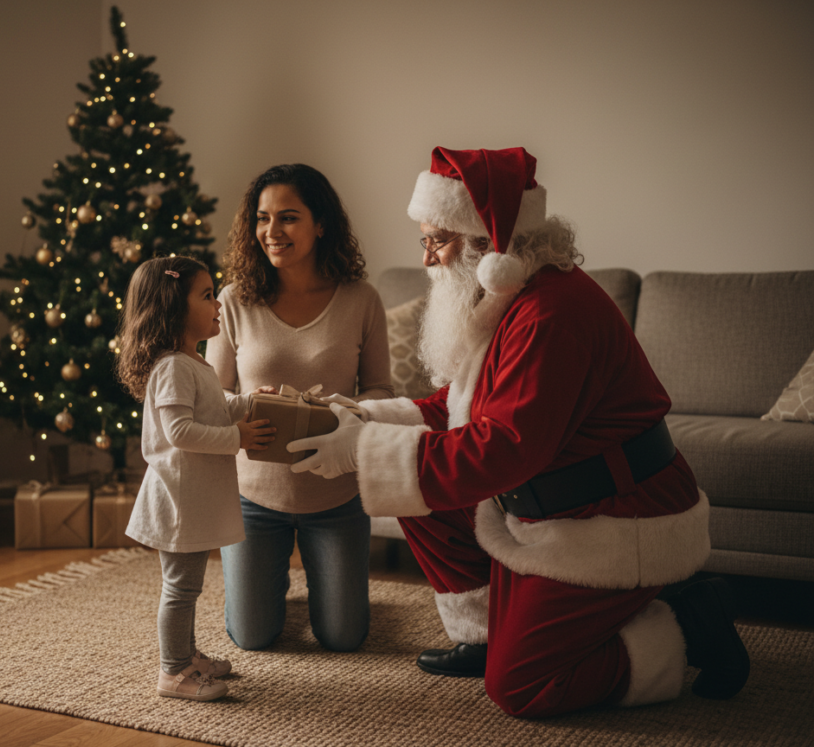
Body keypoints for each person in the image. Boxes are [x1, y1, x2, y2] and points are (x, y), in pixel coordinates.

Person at [288, 147, 750, 718]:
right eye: (425, 239)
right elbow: (462, 407)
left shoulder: (550, 315)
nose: (428, 258)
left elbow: (504, 448)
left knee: (522, 687)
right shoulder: (507, 296)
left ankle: (681, 622)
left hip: (615, 517)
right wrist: (364, 419)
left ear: (486, 243)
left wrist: (362, 451)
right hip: (552, 502)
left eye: (439, 239)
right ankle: (486, 637)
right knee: (414, 492)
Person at [205, 163, 393, 652]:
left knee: (343, 636)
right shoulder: (232, 301)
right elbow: (211, 395)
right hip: (252, 498)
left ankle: (323, 595)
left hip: (337, 497)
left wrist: (341, 410)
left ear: (321, 223)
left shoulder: (361, 299)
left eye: (288, 217)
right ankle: (270, 593)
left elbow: (381, 391)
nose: (272, 232)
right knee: (251, 637)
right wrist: (250, 403)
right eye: (263, 218)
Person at [117, 255, 276, 702]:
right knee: (181, 587)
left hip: (194, 498)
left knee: (189, 585)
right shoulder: (171, 367)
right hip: (178, 500)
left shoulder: (195, 364)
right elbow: (180, 432)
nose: (217, 304)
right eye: (207, 296)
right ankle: (172, 672)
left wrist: (246, 404)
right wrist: (237, 437)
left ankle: (186, 656)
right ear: (172, 305)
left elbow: (214, 411)